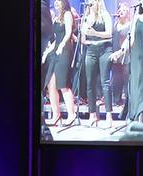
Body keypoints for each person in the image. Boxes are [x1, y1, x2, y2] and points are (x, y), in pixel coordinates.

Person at [42, 0, 79, 127]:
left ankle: (71, 115)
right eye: (55, 1)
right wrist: (46, 52)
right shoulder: (56, 17)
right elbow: (56, 39)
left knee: (63, 84)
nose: (56, 3)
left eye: (58, 1)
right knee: (51, 84)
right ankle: (56, 115)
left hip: (64, 51)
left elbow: (68, 33)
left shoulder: (67, 14)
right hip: (56, 50)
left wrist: (62, 45)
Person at [81, 0, 115, 128]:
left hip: (105, 49)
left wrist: (95, 33)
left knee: (105, 82)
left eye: (93, 2)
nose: (91, 4)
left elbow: (109, 33)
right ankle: (92, 115)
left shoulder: (105, 15)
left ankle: (108, 115)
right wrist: (86, 35)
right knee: (90, 83)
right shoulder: (87, 17)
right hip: (91, 50)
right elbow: (83, 38)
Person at [110, 2, 132, 106]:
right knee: (116, 78)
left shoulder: (130, 25)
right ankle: (116, 100)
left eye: (123, 10)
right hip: (115, 55)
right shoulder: (115, 25)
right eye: (119, 10)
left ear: (128, 13)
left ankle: (128, 101)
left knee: (127, 78)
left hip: (126, 55)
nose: (121, 12)